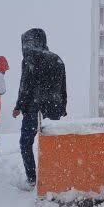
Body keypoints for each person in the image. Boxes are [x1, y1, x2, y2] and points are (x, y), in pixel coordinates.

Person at [13, 28, 67, 189]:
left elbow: (25, 85)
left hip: (33, 108)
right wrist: (63, 107)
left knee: (26, 143)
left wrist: (19, 106)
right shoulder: (57, 59)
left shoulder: (30, 59)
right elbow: (63, 86)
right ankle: (54, 177)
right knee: (51, 144)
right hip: (53, 108)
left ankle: (32, 179)